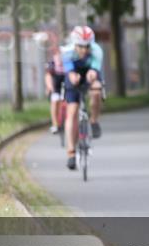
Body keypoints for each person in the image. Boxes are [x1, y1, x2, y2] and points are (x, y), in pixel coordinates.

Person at [60, 26, 105, 171]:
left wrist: (91, 76)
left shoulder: (97, 50)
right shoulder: (67, 52)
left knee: (96, 90)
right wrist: (73, 77)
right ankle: (71, 153)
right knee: (72, 111)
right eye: (81, 47)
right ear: (75, 44)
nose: (84, 50)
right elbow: (70, 73)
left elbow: (94, 70)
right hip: (74, 73)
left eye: (87, 47)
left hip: (89, 71)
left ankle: (94, 120)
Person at [44, 51, 65, 134]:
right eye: (57, 57)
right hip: (55, 88)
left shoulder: (67, 65)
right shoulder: (51, 66)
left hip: (65, 88)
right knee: (55, 101)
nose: (59, 59)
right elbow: (48, 76)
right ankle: (55, 124)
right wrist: (49, 87)